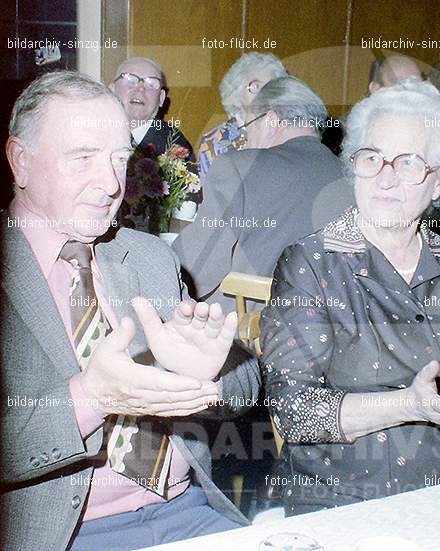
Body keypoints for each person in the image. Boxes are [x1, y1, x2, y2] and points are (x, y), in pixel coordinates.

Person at [0, 71, 261, 550]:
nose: (110, 184)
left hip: (186, 512)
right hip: (66, 534)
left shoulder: (146, 254)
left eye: (120, 158)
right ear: (20, 161)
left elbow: (247, 380)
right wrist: (91, 399)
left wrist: (208, 377)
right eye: (83, 158)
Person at [260, 80, 440, 516]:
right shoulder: (312, 263)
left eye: (408, 164)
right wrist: (410, 405)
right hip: (346, 496)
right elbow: (295, 412)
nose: (385, 178)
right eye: (372, 158)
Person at [173, 76, 354, 310]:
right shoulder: (353, 179)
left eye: (249, 128)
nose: (246, 141)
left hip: (249, 335)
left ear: (270, 120)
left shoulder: (239, 167)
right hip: (328, 328)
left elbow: (197, 267)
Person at [198, 52, 287, 179]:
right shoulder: (214, 142)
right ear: (235, 95)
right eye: (256, 86)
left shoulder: (290, 132)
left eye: (271, 86)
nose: (265, 93)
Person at [110, 57, 195, 161]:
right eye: (130, 80)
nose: (140, 89)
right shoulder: (94, 133)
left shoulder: (174, 146)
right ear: (112, 91)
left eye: (151, 84)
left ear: (161, 98)